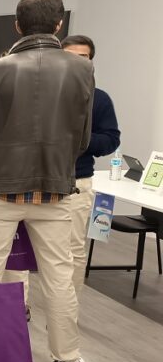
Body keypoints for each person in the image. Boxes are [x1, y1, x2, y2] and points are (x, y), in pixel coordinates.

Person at [0, 0, 94, 362]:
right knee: (58, 276)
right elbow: (83, 138)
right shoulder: (82, 70)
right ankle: (65, 359)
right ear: (59, 24)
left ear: (17, 25)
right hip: (55, 187)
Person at [60, 34, 121, 297]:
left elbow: (110, 140)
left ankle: (68, 309)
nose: (76, 62)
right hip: (35, 181)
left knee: (72, 249)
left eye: (83, 57)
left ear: (91, 62)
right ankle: (23, 308)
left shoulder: (99, 99)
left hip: (77, 183)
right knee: (26, 251)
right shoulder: (40, 94)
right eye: (69, 57)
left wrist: (76, 138)